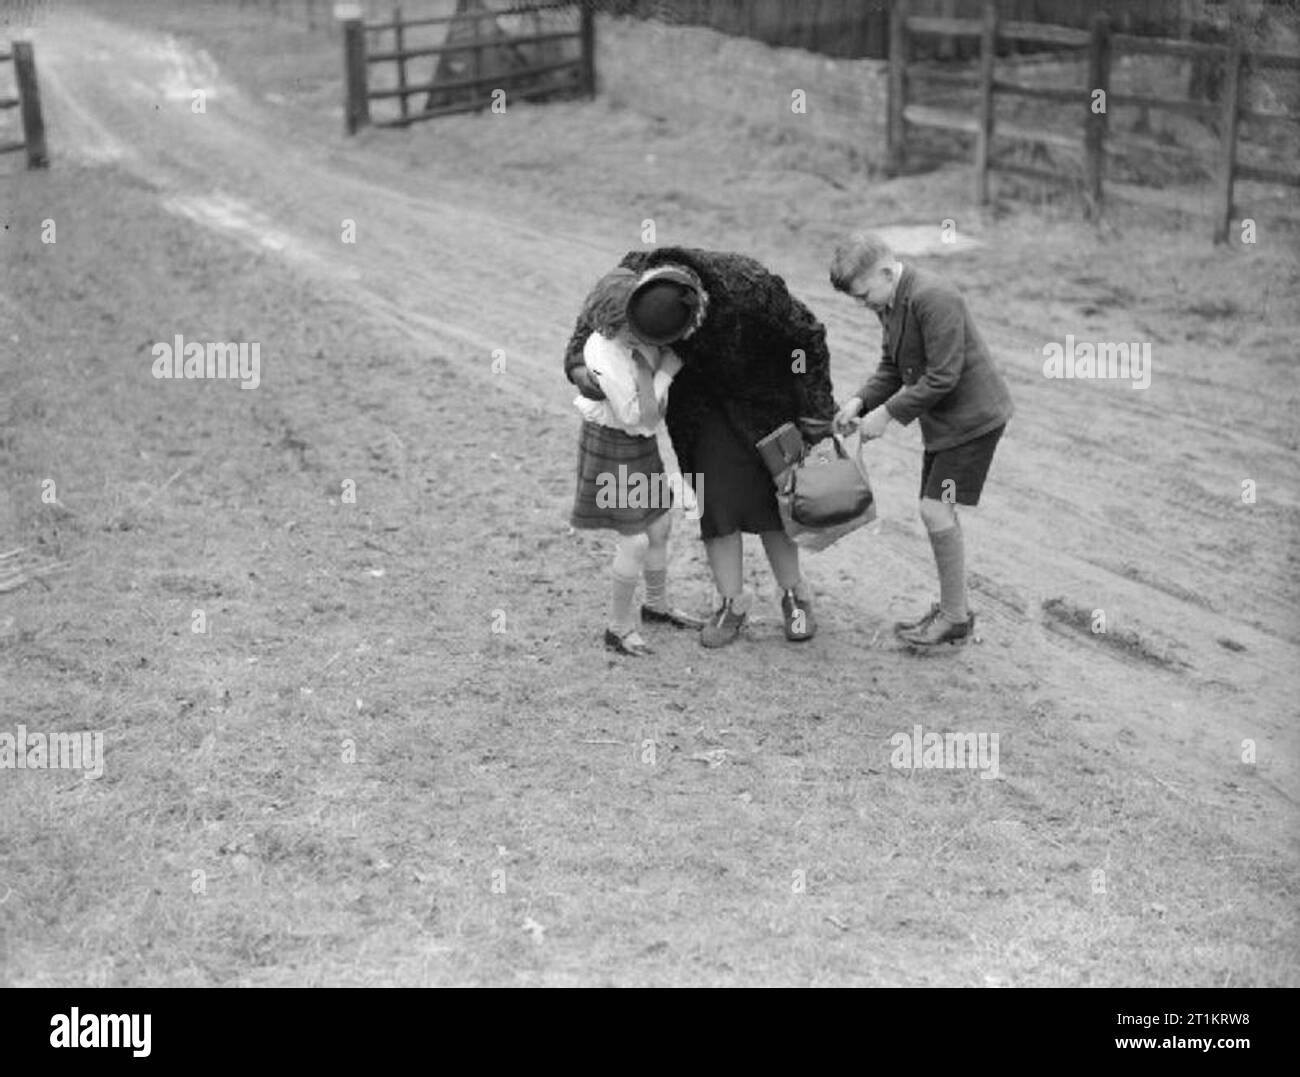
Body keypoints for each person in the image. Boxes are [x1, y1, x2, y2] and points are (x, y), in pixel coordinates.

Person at [566, 249, 837, 648]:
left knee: (773, 503)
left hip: (766, 401)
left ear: (698, 314)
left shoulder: (749, 287)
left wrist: (813, 407)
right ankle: (732, 603)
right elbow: (591, 325)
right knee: (715, 502)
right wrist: (577, 367)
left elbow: (806, 339)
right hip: (700, 410)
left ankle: (795, 596)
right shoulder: (634, 279)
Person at [830, 232, 1013, 647]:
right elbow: (892, 367)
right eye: (856, 301)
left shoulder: (934, 297)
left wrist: (888, 414)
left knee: (935, 510)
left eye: (863, 295)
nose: (863, 305)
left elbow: (944, 376)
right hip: (945, 425)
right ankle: (955, 612)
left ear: (885, 270)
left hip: (973, 423)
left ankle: (954, 617)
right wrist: (859, 402)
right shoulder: (891, 301)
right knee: (938, 509)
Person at [568, 268, 705, 657]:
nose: (638, 336)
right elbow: (635, 416)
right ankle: (618, 627)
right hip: (614, 447)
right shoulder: (601, 351)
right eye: (630, 330)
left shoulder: (642, 337)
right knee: (635, 539)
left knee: (660, 524)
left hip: (641, 447)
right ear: (610, 324)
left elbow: (647, 418)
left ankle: (657, 605)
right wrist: (665, 375)